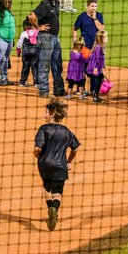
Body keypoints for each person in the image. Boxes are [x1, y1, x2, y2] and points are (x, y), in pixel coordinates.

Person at [34, 99, 81, 231]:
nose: (45, 115)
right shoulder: (67, 132)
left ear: (52, 113)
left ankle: (50, 209)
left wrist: (37, 154)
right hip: (60, 165)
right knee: (57, 192)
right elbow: (75, 149)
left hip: (44, 164)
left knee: (47, 187)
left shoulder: (44, 128)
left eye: (46, 112)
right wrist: (68, 161)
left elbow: (38, 148)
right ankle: (54, 208)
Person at [29, 0, 67, 97]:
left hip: (55, 37)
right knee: (44, 64)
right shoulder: (45, 4)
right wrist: (38, 27)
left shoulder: (57, 2)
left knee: (57, 64)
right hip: (46, 37)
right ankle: (44, 91)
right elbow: (31, 16)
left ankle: (58, 89)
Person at [86, 30, 107, 103]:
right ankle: (95, 97)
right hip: (95, 67)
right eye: (105, 37)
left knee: (99, 79)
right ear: (101, 39)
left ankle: (95, 94)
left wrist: (103, 66)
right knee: (99, 79)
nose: (107, 38)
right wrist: (98, 68)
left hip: (96, 67)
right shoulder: (99, 47)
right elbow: (97, 59)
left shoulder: (100, 46)